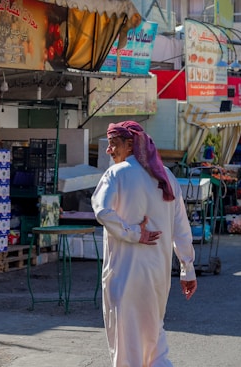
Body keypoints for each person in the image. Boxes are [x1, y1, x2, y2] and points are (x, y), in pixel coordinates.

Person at [91, 121, 198, 367]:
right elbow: (182, 229)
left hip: (124, 275)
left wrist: (132, 233)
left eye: (113, 144)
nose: (109, 151)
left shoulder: (116, 174)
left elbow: (102, 211)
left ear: (130, 145)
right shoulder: (167, 178)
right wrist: (187, 269)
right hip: (157, 276)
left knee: (125, 342)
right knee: (153, 339)